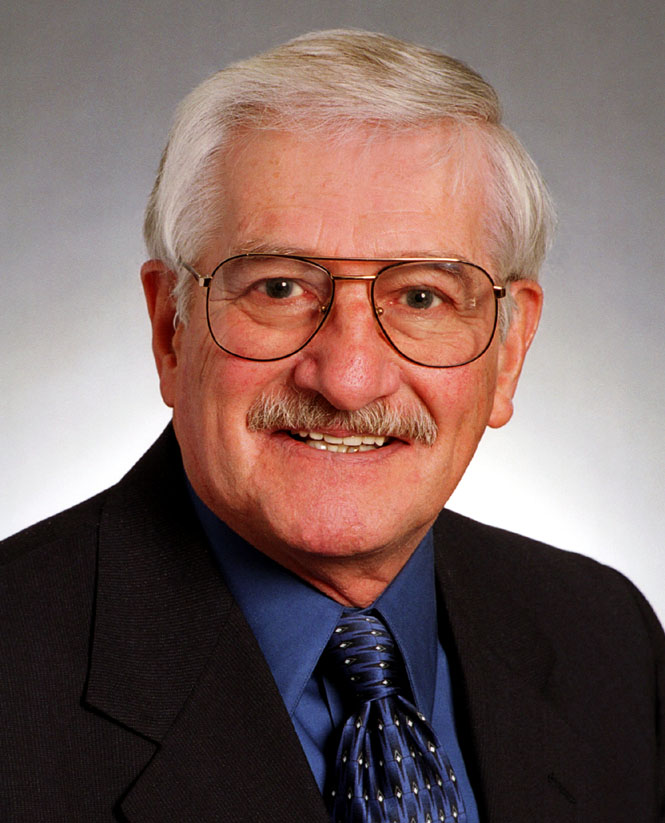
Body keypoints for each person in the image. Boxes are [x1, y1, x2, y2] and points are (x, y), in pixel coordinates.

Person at [2, 29, 663, 823]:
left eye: (421, 296)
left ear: (509, 349)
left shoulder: (606, 638)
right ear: (170, 329)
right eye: (278, 287)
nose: (347, 379)